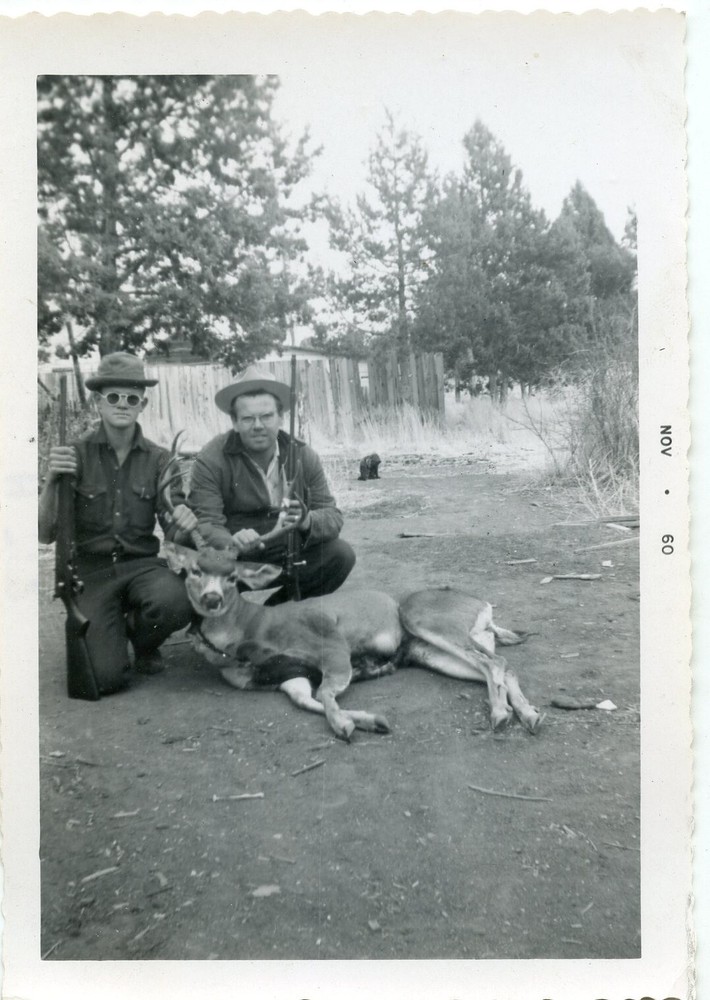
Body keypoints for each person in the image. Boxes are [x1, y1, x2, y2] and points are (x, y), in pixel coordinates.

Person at [38, 352, 199, 695]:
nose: (122, 404)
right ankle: (110, 636)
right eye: (113, 397)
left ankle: (142, 641)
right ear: (98, 402)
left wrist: (184, 522)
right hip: (91, 575)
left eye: (131, 398)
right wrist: (52, 480)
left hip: (142, 567)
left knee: (177, 598)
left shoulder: (160, 459)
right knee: (104, 680)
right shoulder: (73, 455)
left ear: (143, 403)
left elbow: (174, 531)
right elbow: (44, 532)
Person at [188, 365, 355, 604]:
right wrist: (231, 541)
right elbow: (206, 522)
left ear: (280, 418)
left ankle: (277, 611)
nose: (258, 425)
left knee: (340, 555)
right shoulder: (211, 458)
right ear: (234, 422)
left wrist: (307, 521)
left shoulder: (304, 456)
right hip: (235, 558)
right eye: (247, 418)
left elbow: (332, 516)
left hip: (289, 551)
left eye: (266, 416)